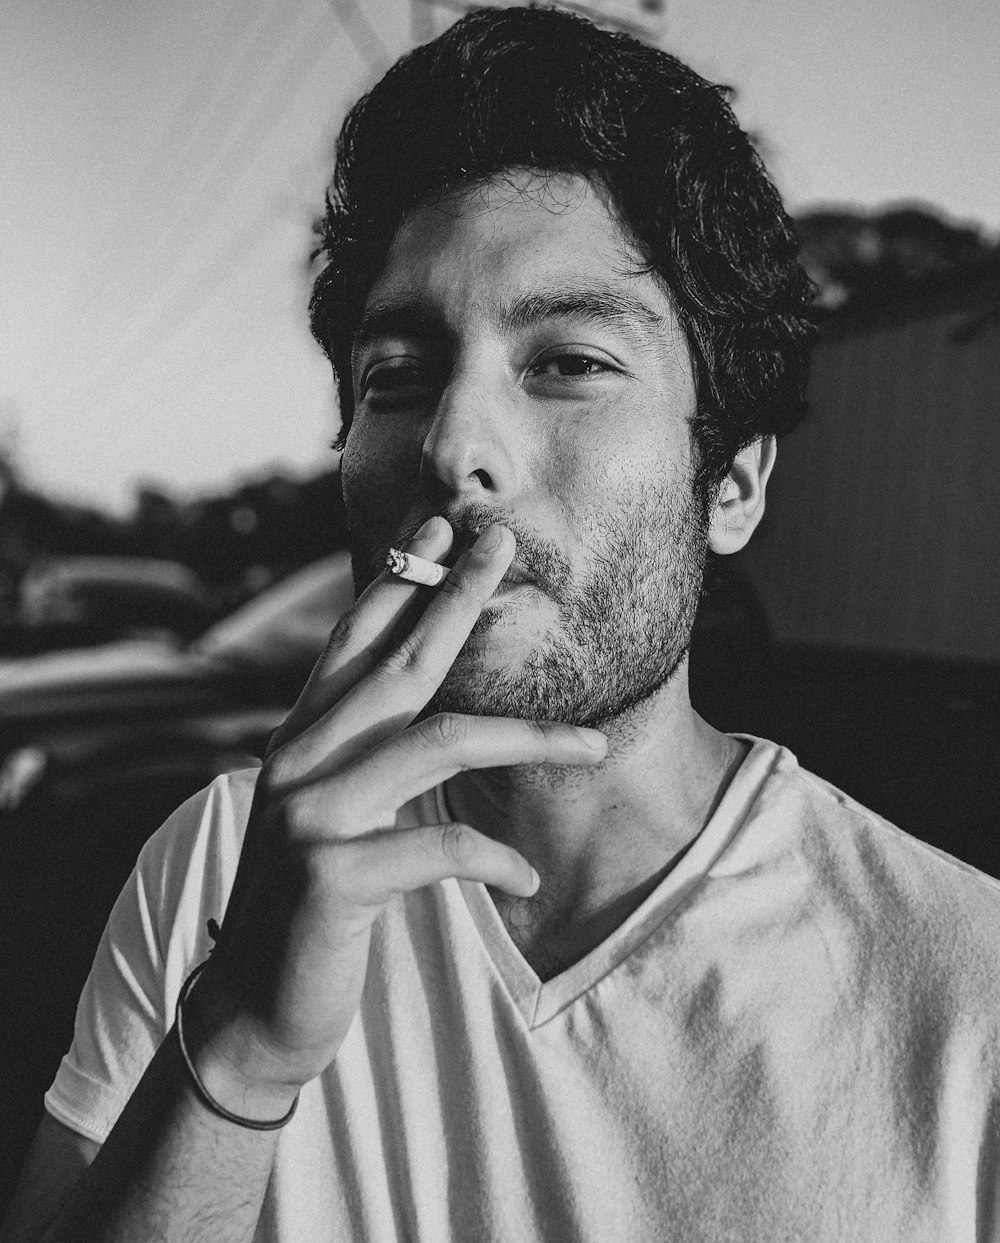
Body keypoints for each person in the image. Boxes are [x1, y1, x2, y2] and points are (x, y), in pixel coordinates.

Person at [4, 8, 999, 1241]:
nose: (453, 447)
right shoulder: (215, 868)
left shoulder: (966, 992)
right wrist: (240, 1056)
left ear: (731, 482)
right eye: (398, 375)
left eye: (569, 361)